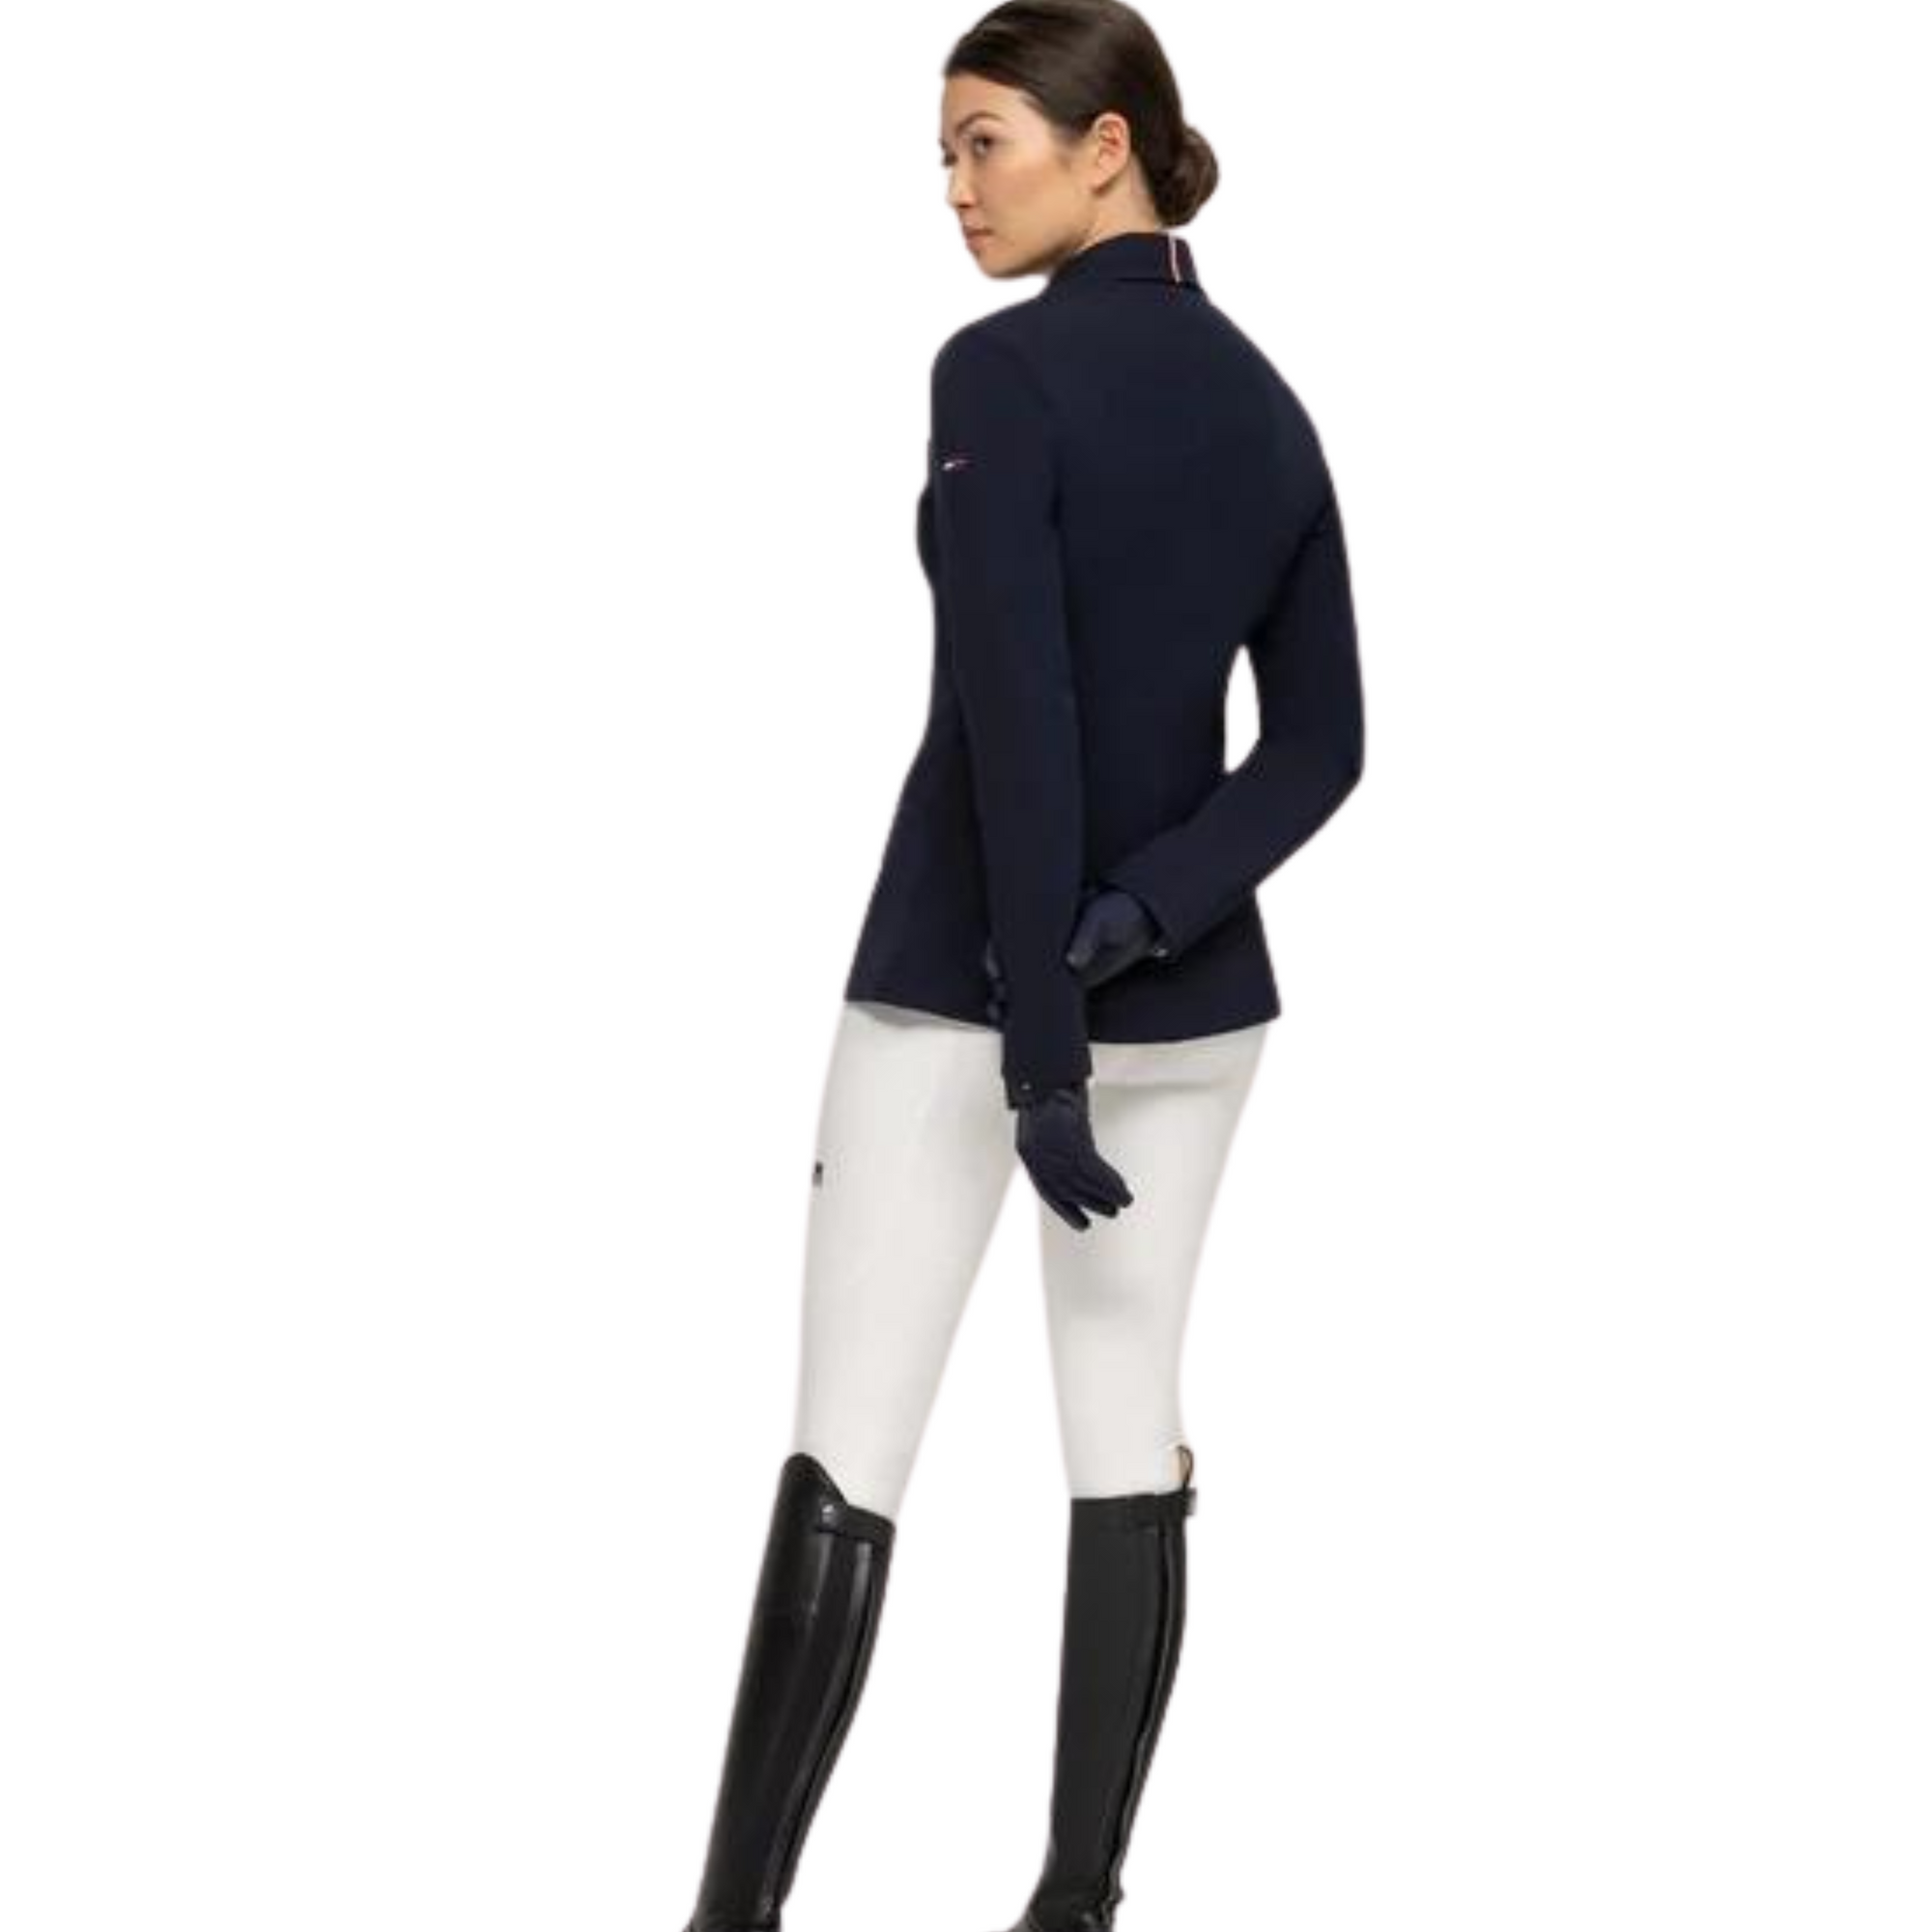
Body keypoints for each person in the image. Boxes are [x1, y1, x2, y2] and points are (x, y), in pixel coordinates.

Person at [677, 3, 1365, 1927]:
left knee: (850, 1442)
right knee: (1125, 1427)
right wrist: (1152, 912)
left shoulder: (998, 369)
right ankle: (1077, 1906)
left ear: (1107, 145)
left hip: (968, 993)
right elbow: (1320, 749)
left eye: (985, 141)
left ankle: (731, 1918)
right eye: (945, 153)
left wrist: (1044, 1044)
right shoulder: (1270, 405)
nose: (956, 187)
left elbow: (1018, 715)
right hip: (1193, 1009)